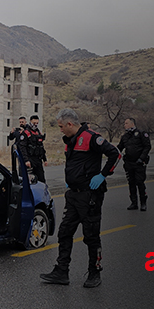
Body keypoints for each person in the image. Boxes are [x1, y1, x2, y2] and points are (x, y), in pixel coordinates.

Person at [40, 109, 120, 288]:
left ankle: (94, 272)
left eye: (61, 126)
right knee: (64, 232)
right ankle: (61, 271)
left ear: (70, 124)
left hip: (90, 195)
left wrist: (102, 175)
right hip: (73, 195)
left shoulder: (91, 137)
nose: (60, 130)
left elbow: (115, 154)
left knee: (91, 236)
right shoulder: (71, 140)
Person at [116, 118, 151, 211]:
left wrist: (141, 158)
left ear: (132, 124)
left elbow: (147, 146)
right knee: (131, 183)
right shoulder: (125, 137)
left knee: (140, 182)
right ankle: (134, 203)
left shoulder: (141, 134)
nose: (124, 125)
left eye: (126, 123)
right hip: (129, 163)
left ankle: (143, 203)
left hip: (139, 163)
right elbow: (119, 148)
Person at [24, 115, 48, 183]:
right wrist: (26, 160)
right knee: (30, 180)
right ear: (30, 122)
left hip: (38, 159)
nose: (35, 125)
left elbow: (41, 146)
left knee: (41, 179)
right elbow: (23, 148)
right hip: (30, 159)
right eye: (34, 123)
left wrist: (45, 159)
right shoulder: (26, 132)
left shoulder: (38, 132)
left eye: (37, 123)